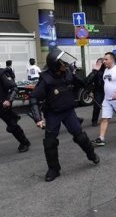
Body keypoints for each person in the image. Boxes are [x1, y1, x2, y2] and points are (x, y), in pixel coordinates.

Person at [29, 48, 99, 182]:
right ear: (55, 64)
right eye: (63, 62)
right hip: (53, 114)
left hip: (68, 112)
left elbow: (84, 83)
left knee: (81, 137)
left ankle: (92, 155)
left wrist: (95, 71)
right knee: (49, 143)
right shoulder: (46, 79)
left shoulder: (68, 74)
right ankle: (54, 169)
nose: (66, 64)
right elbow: (34, 99)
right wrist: (38, 119)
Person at [0, 66, 30, 153]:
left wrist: (9, 100)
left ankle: (24, 142)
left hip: (3, 106)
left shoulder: (1, 74)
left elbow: (14, 88)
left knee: (12, 126)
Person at [88, 58, 105, 127]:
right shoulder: (95, 72)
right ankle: (94, 121)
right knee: (97, 106)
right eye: (98, 63)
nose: (99, 64)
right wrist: (90, 91)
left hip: (107, 90)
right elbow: (89, 81)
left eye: (100, 63)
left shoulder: (107, 70)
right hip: (98, 90)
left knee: (114, 103)